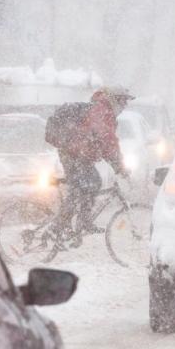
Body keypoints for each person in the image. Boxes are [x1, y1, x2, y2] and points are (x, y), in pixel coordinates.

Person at [57, 86, 133, 243]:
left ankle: (80, 223)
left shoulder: (105, 111)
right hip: (74, 154)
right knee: (88, 184)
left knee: (87, 185)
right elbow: (107, 141)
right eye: (123, 102)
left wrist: (116, 163)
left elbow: (108, 143)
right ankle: (60, 225)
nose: (124, 106)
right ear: (115, 99)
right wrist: (119, 166)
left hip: (78, 154)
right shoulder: (102, 110)